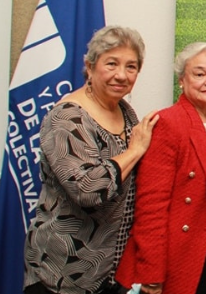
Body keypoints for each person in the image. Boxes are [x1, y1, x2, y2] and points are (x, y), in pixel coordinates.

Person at [23, 26, 159, 294]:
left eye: (131, 67)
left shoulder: (125, 111)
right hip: (63, 272)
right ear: (90, 66)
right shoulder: (67, 117)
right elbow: (88, 190)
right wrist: (135, 150)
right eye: (112, 64)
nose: (122, 75)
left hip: (110, 271)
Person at [116, 42, 206, 294]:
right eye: (199, 74)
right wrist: (151, 272)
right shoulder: (168, 123)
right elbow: (151, 207)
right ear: (182, 80)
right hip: (182, 253)